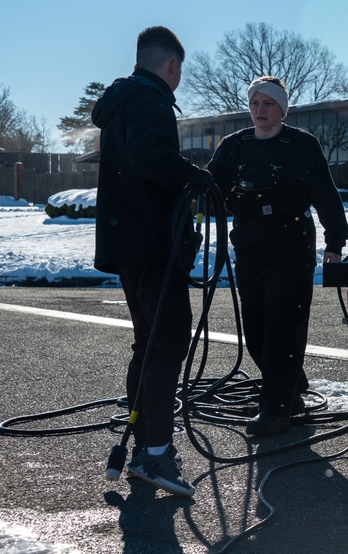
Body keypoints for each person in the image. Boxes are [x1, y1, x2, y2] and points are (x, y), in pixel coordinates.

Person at [92, 26, 213, 498]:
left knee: (148, 342)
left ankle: (148, 444)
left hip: (129, 244)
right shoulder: (149, 100)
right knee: (166, 343)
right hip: (150, 244)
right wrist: (196, 178)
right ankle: (157, 454)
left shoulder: (123, 100)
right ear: (172, 66)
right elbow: (151, 158)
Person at [208, 76, 348, 437]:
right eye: (255, 103)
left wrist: (335, 242)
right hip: (250, 247)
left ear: (282, 109)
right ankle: (289, 390)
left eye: (268, 104)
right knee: (255, 328)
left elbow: (325, 195)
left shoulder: (301, 145)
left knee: (282, 325)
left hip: (291, 245)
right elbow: (211, 188)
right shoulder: (233, 146)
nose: (260, 110)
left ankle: (275, 411)